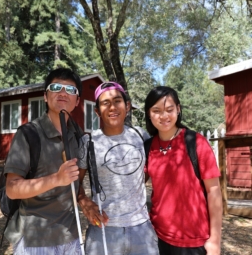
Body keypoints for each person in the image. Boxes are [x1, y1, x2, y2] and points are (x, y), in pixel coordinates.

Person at [4, 68, 83, 254]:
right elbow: (12, 189)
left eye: (71, 90)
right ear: (46, 96)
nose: (63, 93)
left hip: (71, 236)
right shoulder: (28, 134)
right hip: (35, 239)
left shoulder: (78, 135)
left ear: (78, 101)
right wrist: (56, 179)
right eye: (56, 87)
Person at [77, 82, 159, 255]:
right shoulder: (89, 142)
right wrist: (84, 201)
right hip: (104, 230)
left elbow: (146, 173)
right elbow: (75, 184)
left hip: (141, 229)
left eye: (117, 101)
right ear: (97, 111)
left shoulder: (140, 136)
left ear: (127, 106)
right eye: (105, 103)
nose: (112, 107)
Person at [144, 86, 222, 255]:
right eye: (156, 111)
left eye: (169, 109)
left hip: (194, 241)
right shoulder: (147, 148)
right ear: (149, 114)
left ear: (178, 109)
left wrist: (215, 240)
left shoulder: (196, 142)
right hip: (156, 237)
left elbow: (214, 191)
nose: (163, 116)